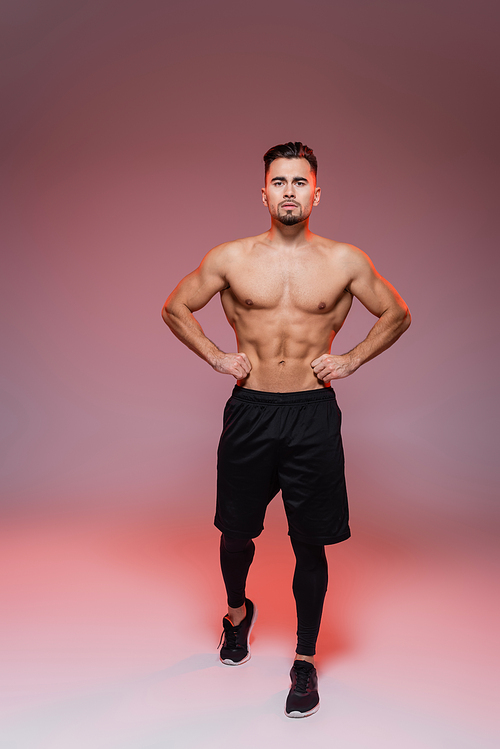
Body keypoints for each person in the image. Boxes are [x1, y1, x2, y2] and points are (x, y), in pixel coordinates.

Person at [162, 141, 410, 718]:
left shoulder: (345, 261)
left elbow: (396, 312)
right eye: (280, 181)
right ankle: (236, 613)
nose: (290, 191)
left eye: (300, 182)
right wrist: (218, 357)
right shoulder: (229, 258)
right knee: (236, 532)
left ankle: (304, 659)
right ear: (265, 192)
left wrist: (349, 360)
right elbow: (176, 306)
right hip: (251, 410)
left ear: (316, 193)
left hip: (312, 416)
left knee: (310, 541)